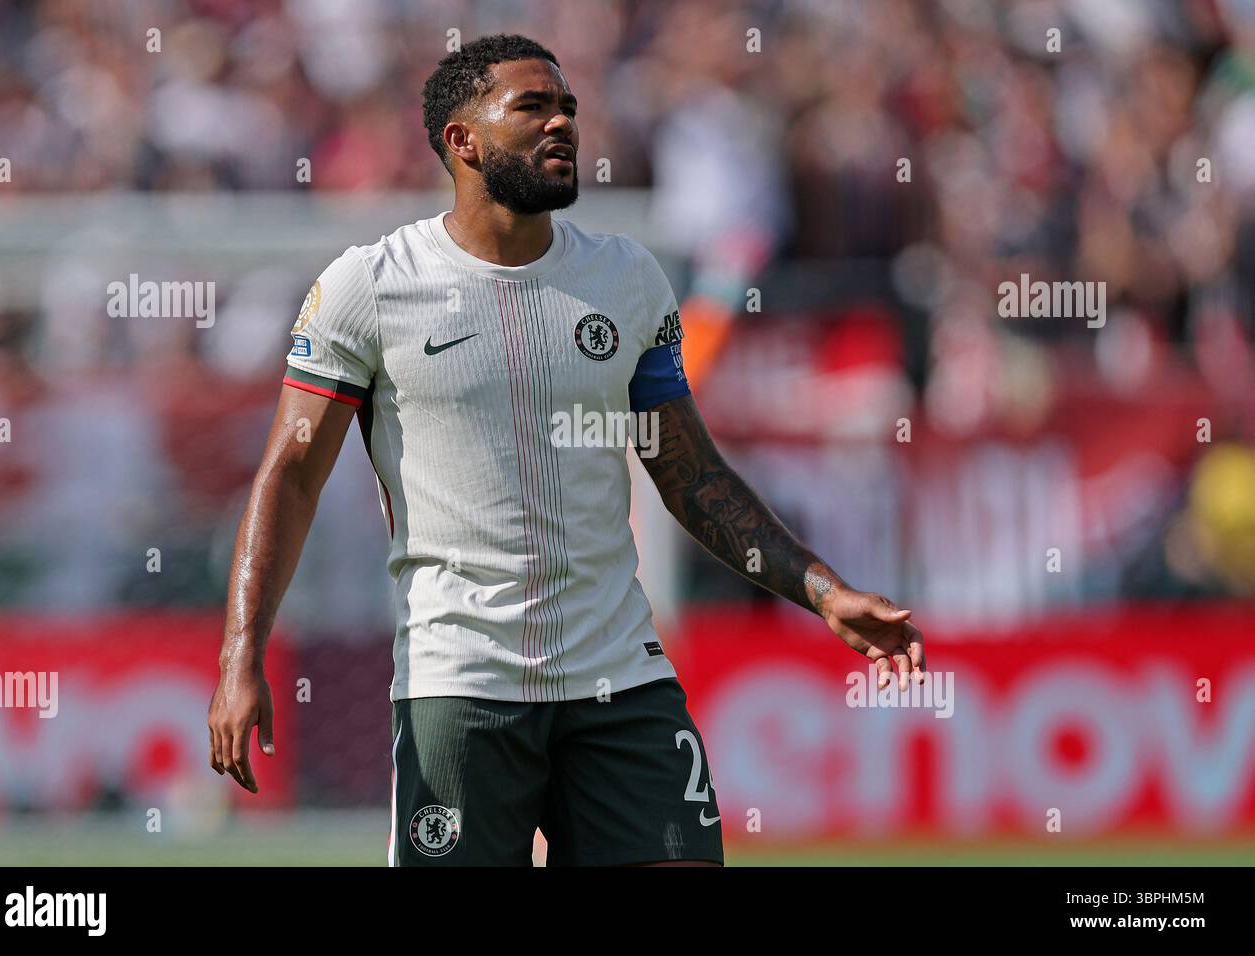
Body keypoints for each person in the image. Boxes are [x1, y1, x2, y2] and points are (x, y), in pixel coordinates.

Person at [207, 33, 925, 867]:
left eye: (569, 109)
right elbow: (290, 476)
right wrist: (240, 657)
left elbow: (688, 475)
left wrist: (822, 589)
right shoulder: (369, 287)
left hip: (621, 679)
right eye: (532, 107)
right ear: (461, 140)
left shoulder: (628, 279)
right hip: (461, 687)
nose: (561, 125)